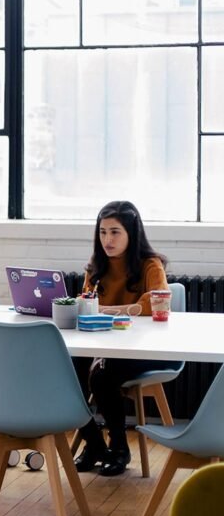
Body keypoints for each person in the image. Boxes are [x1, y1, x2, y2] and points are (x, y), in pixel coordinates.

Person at [73, 200, 170, 477]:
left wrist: (105, 310)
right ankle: (94, 443)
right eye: (103, 232)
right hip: (101, 344)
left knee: (102, 376)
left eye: (115, 232)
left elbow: (155, 303)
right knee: (65, 370)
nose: (108, 240)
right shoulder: (96, 266)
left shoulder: (150, 265)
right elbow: (86, 303)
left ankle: (119, 448)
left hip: (142, 348)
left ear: (131, 233)